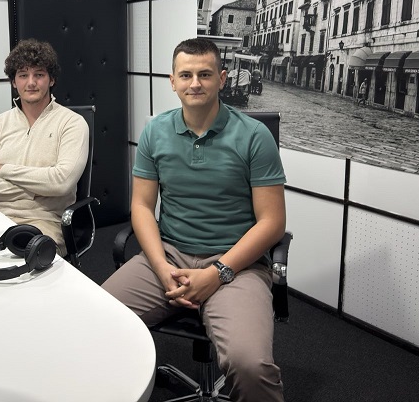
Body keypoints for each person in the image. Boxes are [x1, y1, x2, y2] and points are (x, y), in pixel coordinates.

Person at [102, 37, 287, 401]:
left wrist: (217, 273)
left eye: (205, 74)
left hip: (237, 264)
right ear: (173, 81)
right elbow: (142, 207)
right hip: (169, 256)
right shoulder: (156, 131)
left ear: (222, 78)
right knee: (92, 324)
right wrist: (160, 266)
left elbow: (272, 222)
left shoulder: (254, 136)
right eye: (186, 75)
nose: (195, 83)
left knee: (250, 366)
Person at [0, 39, 89, 254]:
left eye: (39, 74)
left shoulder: (72, 123)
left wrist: (3, 170)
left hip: (44, 223)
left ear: (51, 79)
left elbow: (61, 183)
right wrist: (37, 190)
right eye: (23, 75)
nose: (31, 82)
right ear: (14, 82)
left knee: (17, 262)